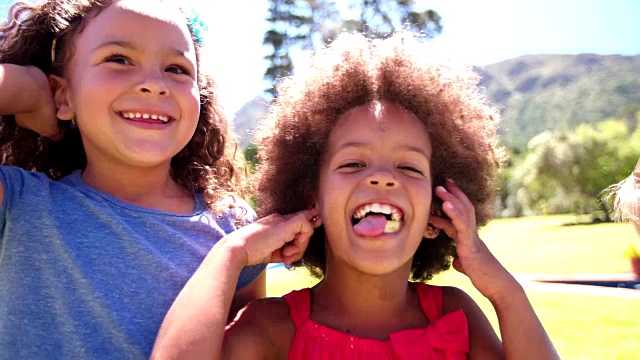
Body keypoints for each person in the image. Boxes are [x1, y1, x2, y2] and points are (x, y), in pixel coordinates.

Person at [152, 32, 559, 359]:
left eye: (409, 167)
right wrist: (231, 254)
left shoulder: (456, 316)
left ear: (438, 209)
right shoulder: (270, 329)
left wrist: (504, 290)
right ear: (311, 198)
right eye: (352, 164)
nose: (383, 179)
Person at [0, 0, 265, 357]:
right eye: (119, 60)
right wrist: (27, 88)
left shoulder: (233, 226)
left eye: (176, 68)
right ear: (63, 95)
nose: (154, 85)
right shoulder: (20, 202)